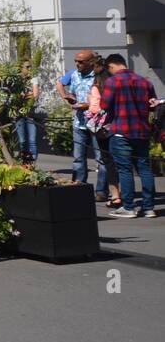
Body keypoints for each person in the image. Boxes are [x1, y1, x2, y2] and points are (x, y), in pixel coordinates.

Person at [99, 54, 157, 218]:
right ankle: (148, 208)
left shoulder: (113, 81)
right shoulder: (145, 81)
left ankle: (129, 207)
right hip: (142, 131)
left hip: (120, 132)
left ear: (111, 66)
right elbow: (153, 105)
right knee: (144, 169)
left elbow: (104, 105)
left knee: (125, 170)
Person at [86, 56, 120, 206]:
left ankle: (111, 194)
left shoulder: (97, 87)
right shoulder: (115, 84)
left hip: (102, 128)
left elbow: (94, 108)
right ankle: (124, 194)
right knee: (122, 162)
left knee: (105, 160)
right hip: (118, 126)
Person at [65, 50, 99, 187]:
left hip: (97, 123)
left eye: (81, 62)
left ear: (91, 62)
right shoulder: (74, 75)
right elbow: (72, 93)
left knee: (100, 159)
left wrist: (88, 105)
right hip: (79, 123)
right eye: (76, 61)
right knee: (78, 157)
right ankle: (80, 185)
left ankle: (102, 190)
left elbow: (105, 99)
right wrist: (71, 99)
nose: (77, 64)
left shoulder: (98, 76)